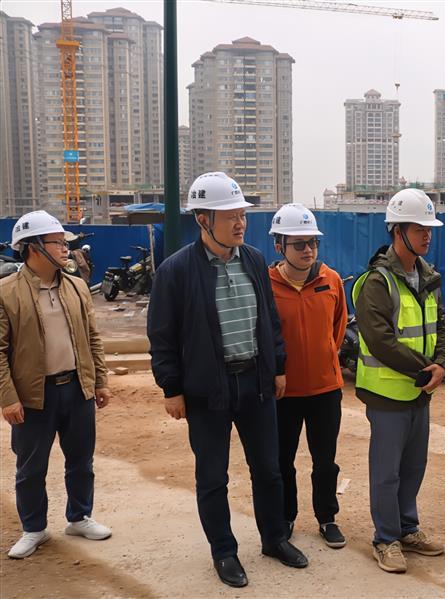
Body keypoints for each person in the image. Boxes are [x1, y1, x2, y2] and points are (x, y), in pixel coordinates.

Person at [147, 172, 306, 588]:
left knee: (269, 470)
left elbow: (269, 320)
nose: (240, 223)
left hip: (255, 383)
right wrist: (171, 389)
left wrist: (278, 367)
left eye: (242, 215)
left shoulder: (253, 259)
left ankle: (274, 538)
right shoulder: (176, 272)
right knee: (213, 477)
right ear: (203, 219)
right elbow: (162, 336)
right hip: (207, 392)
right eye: (230, 216)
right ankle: (224, 551)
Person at [352, 188, 445, 574]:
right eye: (419, 229)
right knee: (387, 472)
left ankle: (407, 529)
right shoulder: (377, 282)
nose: (427, 236)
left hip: (419, 392)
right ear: (398, 231)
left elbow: (441, 326)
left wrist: (443, 362)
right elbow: (381, 340)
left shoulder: (428, 277)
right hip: (387, 394)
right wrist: (428, 369)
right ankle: (386, 538)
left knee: (413, 467)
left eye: (429, 229)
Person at [1, 210, 112, 559]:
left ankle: (79, 517)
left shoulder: (76, 286)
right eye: (58, 243)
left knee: (81, 459)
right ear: (34, 247)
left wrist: (100, 381)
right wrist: (8, 397)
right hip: (34, 396)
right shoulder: (6, 292)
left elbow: (92, 337)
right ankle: (34, 528)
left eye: (65, 243)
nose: (66, 249)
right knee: (31, 467)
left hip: (77, 389)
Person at [267, 203, 348, 549]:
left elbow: (338, 328)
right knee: (283, 462)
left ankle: (327, 518)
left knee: (325, 462)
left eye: (312, 242)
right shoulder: (266, 285)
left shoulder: (330, 280)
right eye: (298, 244)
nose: (307, 250)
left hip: (325, 390)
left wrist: (323, 358)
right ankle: (286, 517)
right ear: (279, 246)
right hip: (283, 393)